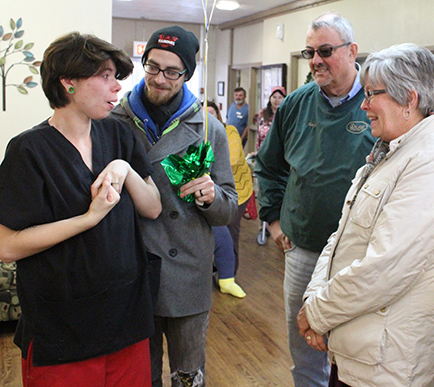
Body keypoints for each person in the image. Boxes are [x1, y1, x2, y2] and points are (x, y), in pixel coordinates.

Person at [297, 43, 434, 387]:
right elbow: (341, 236)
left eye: (371, 94)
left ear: (408, 99)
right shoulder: (391, 153)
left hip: (393, 366)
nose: (363, 105)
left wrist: (317, 313)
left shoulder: (433, 164)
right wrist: (314, 299)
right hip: (358, 351)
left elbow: (385, 268)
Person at [0, 32, 161, 386]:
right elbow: (7, 245)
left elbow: (152, 208)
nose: (116, 88)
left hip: (127, 319)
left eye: (116, 77)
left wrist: (125, 168)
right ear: (68, 83)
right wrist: (88, 219)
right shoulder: (28, 151)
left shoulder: (119, 135)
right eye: (104, 76)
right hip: (61, 329)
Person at [111, 26, 238, 387]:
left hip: (187, 271)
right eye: (152, 67)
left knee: (188, 375)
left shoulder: (208, 128)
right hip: (131, 267)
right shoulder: (113, 123)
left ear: (186, 75)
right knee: (138, 375)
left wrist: (213, 197)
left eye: (172, 71)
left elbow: (229, 207)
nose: (160, 78)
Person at [255, 13, 375, 387]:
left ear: (352, 51)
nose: (316, 60)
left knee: (356, 346)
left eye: (325, 50)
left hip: (362, 253)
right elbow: (268, 167)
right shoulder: (295, 104)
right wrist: (273, 221)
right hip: (303, 247)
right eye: (310, 52)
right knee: (305, 344)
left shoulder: (378, 101)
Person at [206, 100, 253, 298]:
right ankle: (212, 271)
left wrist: (201, 161)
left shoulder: (230, 131)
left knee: (229, 233)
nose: (208, 118)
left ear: (219, 115)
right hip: (210, 193)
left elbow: (232, 157)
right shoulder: (197, 133)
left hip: (237, 191)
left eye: (212, 114)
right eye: (204, 115)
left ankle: (228, 275)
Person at [255, 86, 286, 152]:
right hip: (264, 150)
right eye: (274, 97)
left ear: (284, 99)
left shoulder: (287, 114)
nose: (277, 100)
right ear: (270, 98)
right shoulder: (262, 113)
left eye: (280, 97)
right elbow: (259, 134)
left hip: (280, 152)